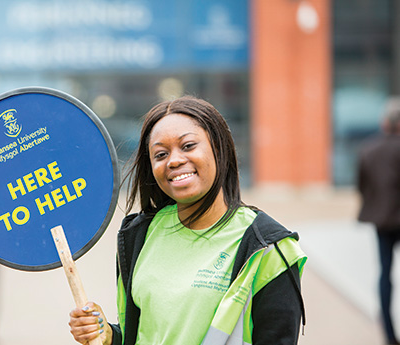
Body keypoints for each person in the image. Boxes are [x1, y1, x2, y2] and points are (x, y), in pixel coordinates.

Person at [68, 96, 307, 345]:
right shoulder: (138, 234)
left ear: (218, 147)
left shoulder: (268, 248)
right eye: (160, 154)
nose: (174, 160)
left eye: (188, 146)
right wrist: (108, 336)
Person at [357, 97, 400, 345]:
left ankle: (389, 336)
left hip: (382, 220)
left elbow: (363, 187)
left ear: (385, 123)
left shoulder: (368, 149)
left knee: (385, 274)